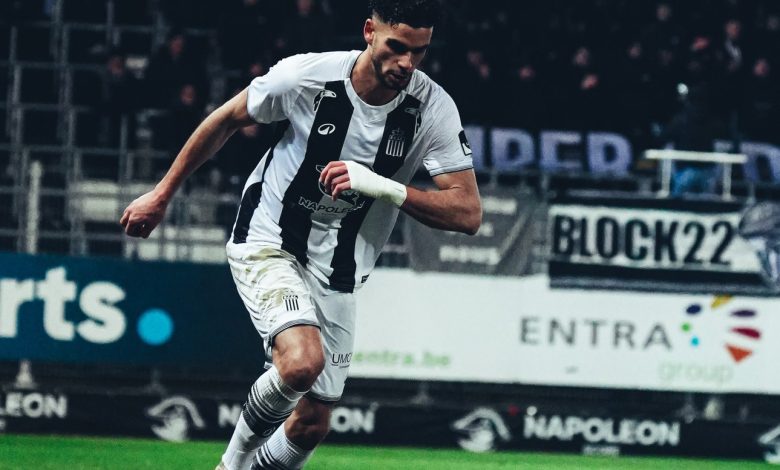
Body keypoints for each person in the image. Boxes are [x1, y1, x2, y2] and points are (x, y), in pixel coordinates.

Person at [119, 1, 482, 469]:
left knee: (311, 423)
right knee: (301, 363)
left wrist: (382, 186)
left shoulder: (432, 108)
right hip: (271, 237)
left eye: (419, 51)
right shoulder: (306, 77)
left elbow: (468, 212)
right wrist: (162, 194)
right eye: (396, 47)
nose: (407, 63)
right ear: (369, 31)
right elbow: (227, 118)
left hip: (340, 266)